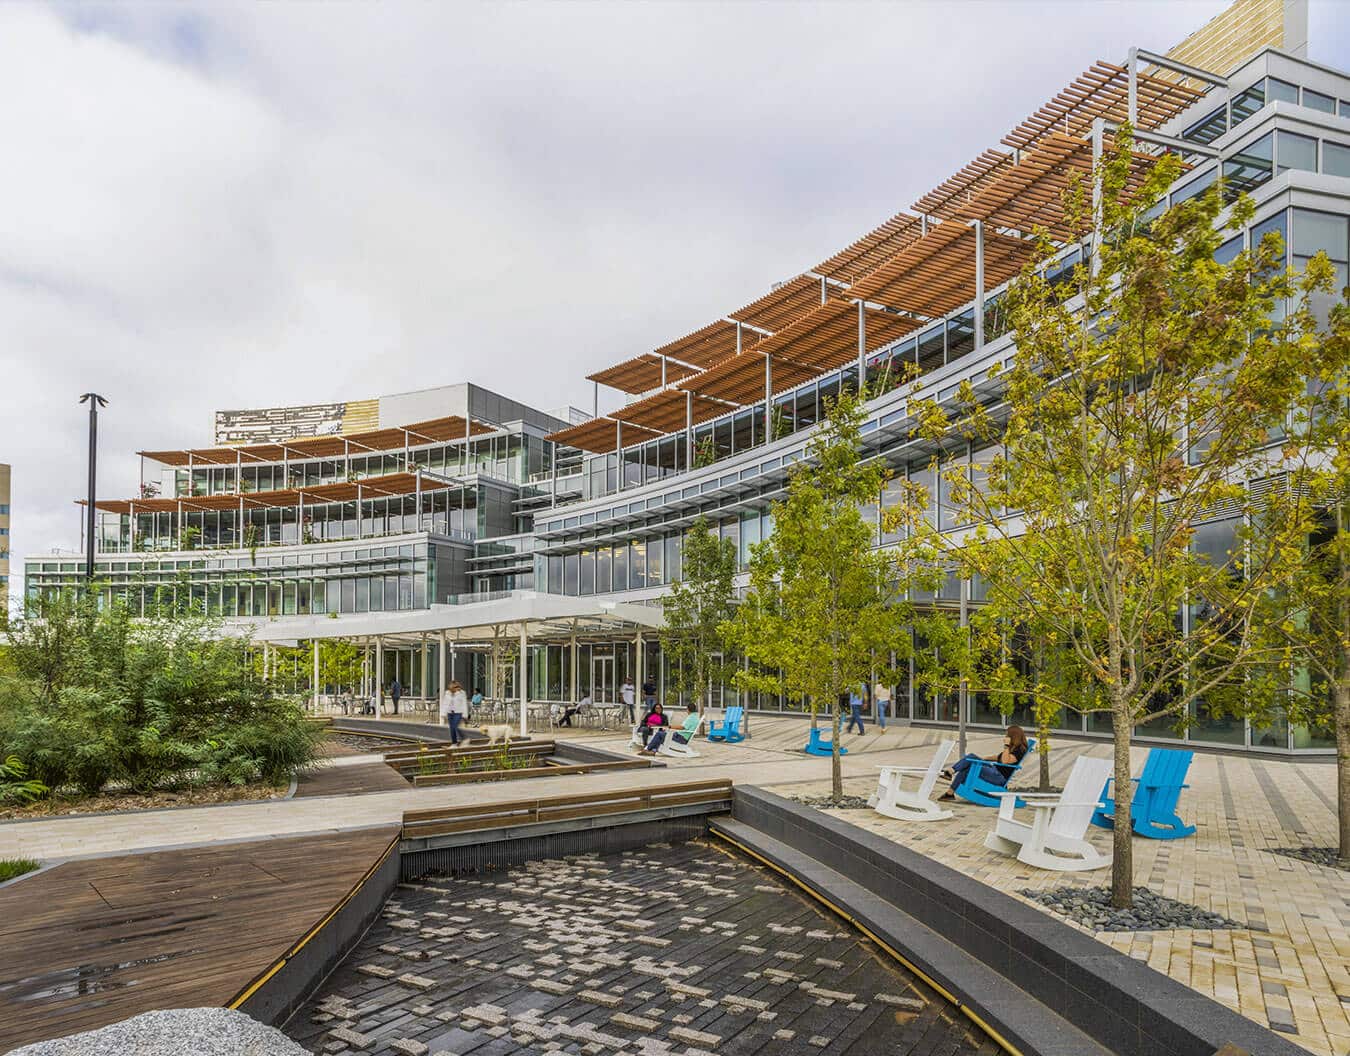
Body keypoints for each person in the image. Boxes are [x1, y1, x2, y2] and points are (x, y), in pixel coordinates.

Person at [939, 726, 1029, 801]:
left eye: (1008, 735)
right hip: (994, 770)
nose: (1006, 736)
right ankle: (950, 777)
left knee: (969, 767)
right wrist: (983, 758)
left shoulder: (1020, 750)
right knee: (971, 757)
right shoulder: (1013, 747)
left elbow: (1005, 761)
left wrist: (1006, 746)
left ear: (1013, 736)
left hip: (999, 777)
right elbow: (998, 757)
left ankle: (950, 789)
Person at [440, 680, 469, 745]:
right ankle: (454, 743)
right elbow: (444, 703)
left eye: (456, 687)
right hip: (450, 713)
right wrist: (443, 713)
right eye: (453, 687)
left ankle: (465, 739)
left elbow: (464, 704)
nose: (455, 688)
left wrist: (465, 715)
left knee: (455, 726)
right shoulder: (447, 693)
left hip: (458, 712)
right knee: (451, 728)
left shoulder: (462, 693)